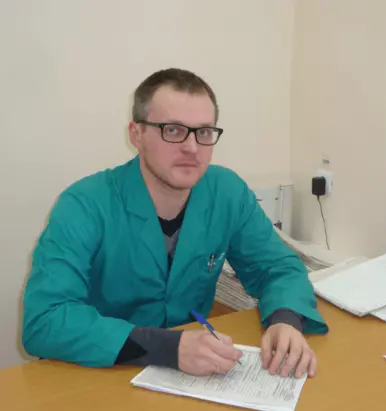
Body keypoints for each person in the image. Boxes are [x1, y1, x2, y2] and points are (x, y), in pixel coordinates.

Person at [22, 68, 328, 378]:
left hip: (189, 378)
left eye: (204, 132)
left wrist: (286, 320)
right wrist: (169, 347)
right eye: (172, 130)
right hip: (96, 373)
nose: (192, 148)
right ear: (136, 134)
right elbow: (45, 320)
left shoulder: (226, 192)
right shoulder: (84, 204)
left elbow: (278, 268)